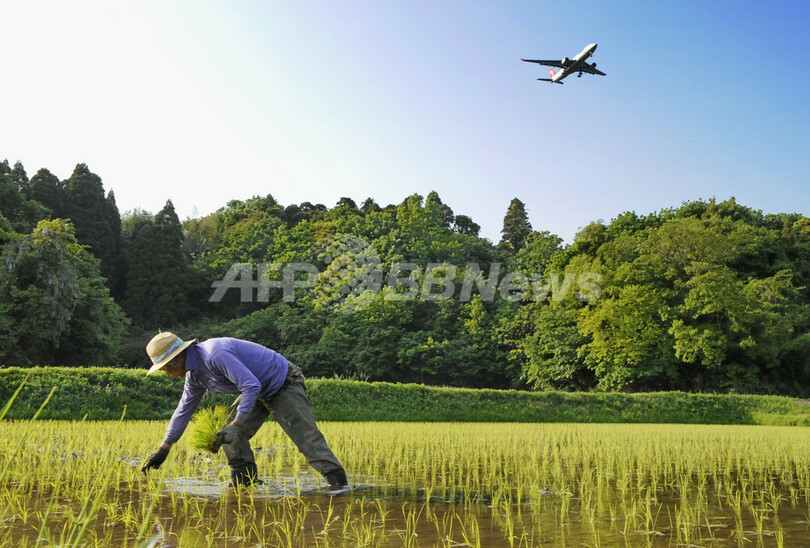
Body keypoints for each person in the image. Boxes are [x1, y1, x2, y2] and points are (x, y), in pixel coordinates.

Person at [140, 331, 348, 488]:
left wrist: (237, 423)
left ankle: (340, 486)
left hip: (282, 382)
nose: (166, 373)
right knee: (228, 434)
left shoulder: (214, 354)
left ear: (176, 359)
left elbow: (251, 385)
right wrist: (163, 450)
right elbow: (183, 410)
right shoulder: (194, 375)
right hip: (257, 391)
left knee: (306, 439)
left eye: (165, 368)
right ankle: (245, 481)